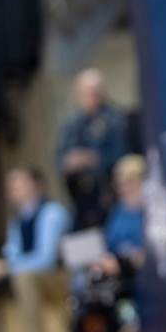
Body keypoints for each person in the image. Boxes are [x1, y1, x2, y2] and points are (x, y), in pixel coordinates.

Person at [0, 166, 73, 332]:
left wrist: (8, 267)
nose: (12, 188)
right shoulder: (17, 218)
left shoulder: (52, 213)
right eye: (10, 184)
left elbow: (47, 259)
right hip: (33, 275)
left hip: (62, 277)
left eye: (18, 183)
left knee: (24, 278)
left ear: (36, 185)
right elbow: (13, 252)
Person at [56, 69, 129, 229]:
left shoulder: (115, 120)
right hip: (80, 198)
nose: (88, 97)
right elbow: (59, 158)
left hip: (108, 196)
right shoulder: (73, 124)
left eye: (92, 92)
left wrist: (92, 158)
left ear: (101, 93)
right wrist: (69, 161)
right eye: (83, 93)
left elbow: (122, 155)